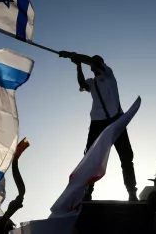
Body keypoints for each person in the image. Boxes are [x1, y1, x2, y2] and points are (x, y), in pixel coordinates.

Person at [59, 51, 138, 201]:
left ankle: (132, 192)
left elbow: (91, 61)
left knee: (126, 157)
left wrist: (72, 55)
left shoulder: (109, 74)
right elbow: (82, 84)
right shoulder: (91, 82)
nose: (96, 65)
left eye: (98, 62)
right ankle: (88, 192)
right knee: (90, 157)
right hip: (97, 122)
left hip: (116, 120)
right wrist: (78, 66)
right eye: (94, 63)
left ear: (102, 64)